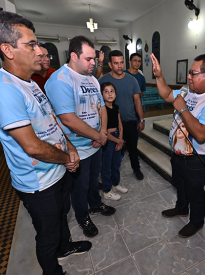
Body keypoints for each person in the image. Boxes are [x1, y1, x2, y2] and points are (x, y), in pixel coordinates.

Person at [0, 11, 90, 275]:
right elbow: (31, 146)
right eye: (31, 44)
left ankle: (65, 247)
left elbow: (51, 121)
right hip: (38, 183)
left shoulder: (29, 82)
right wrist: (68, 158)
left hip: (57, 170)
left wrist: (71, 148)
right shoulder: (2, 89)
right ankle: (52, 270)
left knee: (61, 217)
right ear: (7, 49)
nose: (39, 49)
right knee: (47, 234)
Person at [151, 53, 205, 238]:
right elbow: (167, 94)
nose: (189, 77)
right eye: (189, 73)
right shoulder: (189, 91)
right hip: (178, 152)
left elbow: (201, 133)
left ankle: (196, 222)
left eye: (193, 73)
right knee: (179, 184)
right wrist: (159, 76)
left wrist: (183, 108)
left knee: (195, 192)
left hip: (198, 158)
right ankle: (181, 208)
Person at [45, 35, 116, 239]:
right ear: (74, 56)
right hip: (76, 147)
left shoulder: (92, 78)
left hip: (95, 142)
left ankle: (95, 205)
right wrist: (99, 136)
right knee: (79, 186)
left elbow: (101, 107)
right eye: (88, 59)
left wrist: (101, 133)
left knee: (94, 179)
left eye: (94, 59)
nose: (94, 63)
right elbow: (68, 119)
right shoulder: (60, 80)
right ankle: (82, 217)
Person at [98, 50, 145, 180]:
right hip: (110, 124)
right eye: (116, 63)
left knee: (133, 148)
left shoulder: (132, 80)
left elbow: (137, 101)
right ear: (110, 64)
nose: (120, 66)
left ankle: (136, 169)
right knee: (110, 151)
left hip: (130, 120)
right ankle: (110, 175)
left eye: (121, 62)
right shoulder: (104, 80)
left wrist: (141, 119)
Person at [100, 82, 128, 201]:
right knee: (107, 166)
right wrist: (117, 140)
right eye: (106, 91)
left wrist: (120, 139)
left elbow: (120, 124)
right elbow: (104, 130)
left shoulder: (116, 107)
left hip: (117, 137)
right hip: (108, 139)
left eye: (112, 91)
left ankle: (115, 184)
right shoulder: (102, 109)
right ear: (102, 94)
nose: (110, 94)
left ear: (115, 94)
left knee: (116, 164)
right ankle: (107, 190)